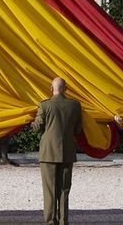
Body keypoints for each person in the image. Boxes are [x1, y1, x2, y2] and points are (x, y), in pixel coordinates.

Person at [31, 77, 83, 225]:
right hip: (67, 153)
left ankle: (50, 222)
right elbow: (78, 129)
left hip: (48, 154)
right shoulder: (75, 105)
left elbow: (37, 127)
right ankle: (63, 222)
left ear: (51, 88)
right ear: (65, 89)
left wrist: (30, 121)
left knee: (49, 192)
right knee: (64, 191)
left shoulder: (45, 105)